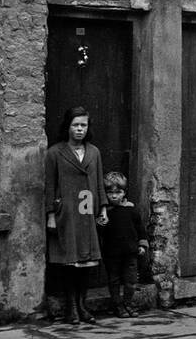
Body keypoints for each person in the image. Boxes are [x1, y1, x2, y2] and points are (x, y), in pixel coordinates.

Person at [44, 107, 108, 324]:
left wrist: (103, 209)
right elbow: (49, 186)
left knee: (87, 261)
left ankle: (83, 304)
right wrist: (51, 214)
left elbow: (99, 183)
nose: (79, 129)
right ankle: (71, 307)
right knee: (69, 262)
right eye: (75, 125)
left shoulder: (94, 152)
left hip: (87, 210)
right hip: (67, 212)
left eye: (83, 125)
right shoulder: (55, 153)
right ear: (68, 127)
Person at [100, 171, 147, 317]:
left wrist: (142, 245)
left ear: (124, 192)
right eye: (110, 192)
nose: (114, 196)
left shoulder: (131, 209)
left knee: (131, 281)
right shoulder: (105, 212)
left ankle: (128, 303)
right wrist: (100, 222)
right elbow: (100, 232)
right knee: (114, 281)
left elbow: (140, 229)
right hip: (112, 254)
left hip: (130, 253)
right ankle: (118, 305)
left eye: (118, 192)